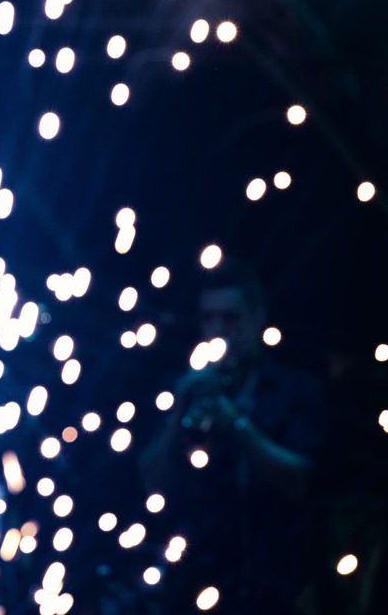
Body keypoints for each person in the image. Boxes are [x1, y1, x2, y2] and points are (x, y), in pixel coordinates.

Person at [138, 259, 324, 614]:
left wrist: (236, 424)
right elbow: (151, 485)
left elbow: (301, 481)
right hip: (195, 591)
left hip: (278, 591)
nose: (218, 330)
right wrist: (178, 413)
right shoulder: (181, 390)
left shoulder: (295, 388)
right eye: (209, 318)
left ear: (258, 318)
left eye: (231, 317)